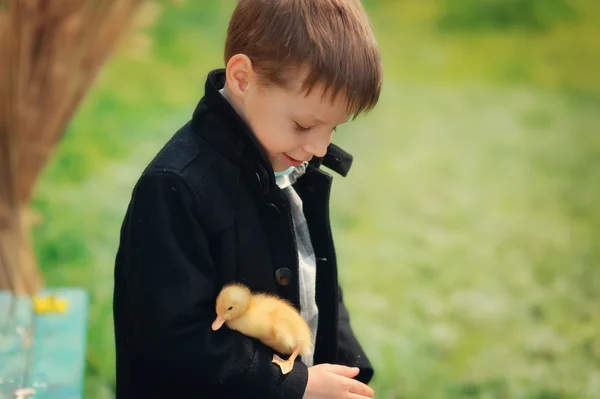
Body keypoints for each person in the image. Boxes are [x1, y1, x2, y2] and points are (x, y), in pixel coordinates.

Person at [112, 0, 382, 397]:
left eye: (333, 129)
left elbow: (316, 280)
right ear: (242, 78)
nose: (320, 147)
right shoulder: (175, 189)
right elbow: (174, 341)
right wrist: (295, 385)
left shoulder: (287, 162)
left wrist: (349, 369)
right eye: (305, 124)